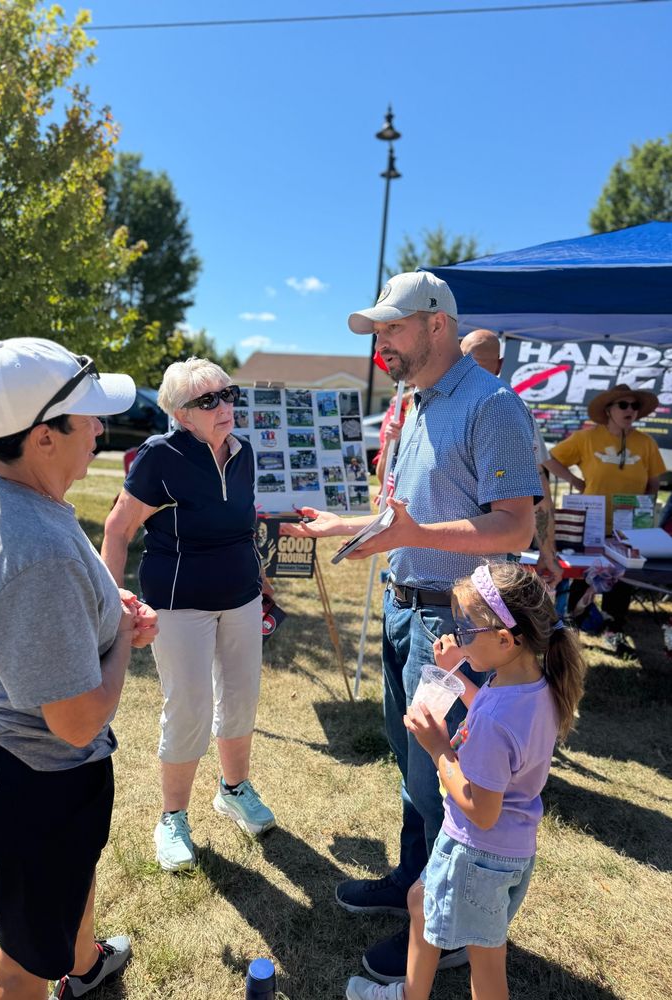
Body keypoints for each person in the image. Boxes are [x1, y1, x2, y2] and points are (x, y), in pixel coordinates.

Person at [284, 271, 542, 982]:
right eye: (378, 332)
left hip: (452, 624)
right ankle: (412, 886)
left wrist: (416, 530)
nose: (383, 344)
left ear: (437, 324)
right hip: (407, 607)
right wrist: (341, 526)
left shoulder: (490, 406)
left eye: (391, 328)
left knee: (443, 779)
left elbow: (515, 524)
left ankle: (448, 930)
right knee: (412, 764)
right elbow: (404, 518)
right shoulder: (415, 402)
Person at [0, 337, 158, 1000]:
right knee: (23, 960)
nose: (100, 428)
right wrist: (118, 634)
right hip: (35, 778)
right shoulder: (34, 553)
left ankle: (82, 966)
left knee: (65, 882)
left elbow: (11, 613)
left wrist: (98, 607)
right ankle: (59, 965)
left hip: (0, 755)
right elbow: (79, 721)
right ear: (42, 436)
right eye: (85, 415)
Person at [346, 561, 586, 1000]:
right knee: (421, 901)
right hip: (503, 852)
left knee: (487, 969)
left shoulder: (498, 719)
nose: (456, 636)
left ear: (504, 639)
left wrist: (438, 747)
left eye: (465, 629)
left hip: (475, 852)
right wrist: (456, 673)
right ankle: (409, 994)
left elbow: (481, 809)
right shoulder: (532, 684)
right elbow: (486, 705)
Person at [101, 357, 275, 875]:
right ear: (181, 413)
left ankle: (234, 789)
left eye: (228, 394)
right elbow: (117, 529)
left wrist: (259, 574)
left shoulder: (243, 453)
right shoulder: (160, 455)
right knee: (190, 707)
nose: (225, 406)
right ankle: (172, 817)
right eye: (209, 400)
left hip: (241, 595)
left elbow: (240, 524)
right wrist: (113, 602)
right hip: (179, 603)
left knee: (241, 696)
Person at [549, 383, 665, 653]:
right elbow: (549, 459)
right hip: (591, 524)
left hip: (628, 530)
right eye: (623, 405)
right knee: (583, 574)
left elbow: (654, 482)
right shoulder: (587, 438)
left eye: (634, 406)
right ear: (609, 410)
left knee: (624, 577)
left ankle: (614, 627)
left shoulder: (646, 442)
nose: (630, 410)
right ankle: (577, 624)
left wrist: (644, 513)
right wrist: (575, 482)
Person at [459, 328, 573, 588]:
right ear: (499, 365)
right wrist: (547, 553)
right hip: (493, 561)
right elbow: (538, 487)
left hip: (437, 560)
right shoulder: (512, 407)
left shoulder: (437, 404)